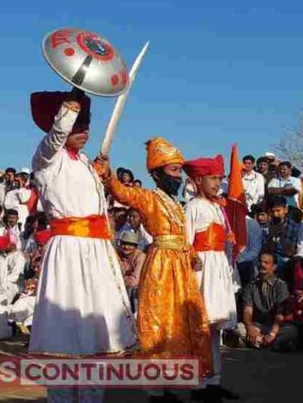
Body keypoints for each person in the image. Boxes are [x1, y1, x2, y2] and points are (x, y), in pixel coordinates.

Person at [29, 90, 136, 403]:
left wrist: (105, 176)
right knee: (66, 336)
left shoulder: (88, 163)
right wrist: (70, 108)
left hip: (97, 252)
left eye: (87, 122)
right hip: (69, 251)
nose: (84, 129)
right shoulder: (46, 158)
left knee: (96, 335)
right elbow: (56, 135)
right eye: (78, 122)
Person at [99, 138, 215, 401]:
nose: (178, 176)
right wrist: (107, 173)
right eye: (173, 171)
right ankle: (155, 389)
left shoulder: (177, 204)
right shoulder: (149, 197)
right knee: (158, 324)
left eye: (179, 170)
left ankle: (178, 383)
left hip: (181, 269)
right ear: (156, 174)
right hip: (161, 266)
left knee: (185, 322)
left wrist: (192, 254)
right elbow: (122, 192)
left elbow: (183, 238)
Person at [183, 154, 239, 400]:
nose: (217, 183)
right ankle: (199, 384)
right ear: (198, 180)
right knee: (201, 329)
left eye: (219, 178)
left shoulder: (218, 206)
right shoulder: (193, 207)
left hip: (218, 269)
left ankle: (214, 380)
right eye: (212, 178)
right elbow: (185, 243)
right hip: (202, 271)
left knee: (215, 330)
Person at [236, 253, 296, 351]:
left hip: (275, 327)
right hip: (257, 326)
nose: (262, 265)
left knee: (291, 331)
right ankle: (268, 344)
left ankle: (259, 343)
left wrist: (272, 333)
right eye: (260, 262)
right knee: (239, 328)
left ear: (274, 267)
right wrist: (250, 327)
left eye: (266, 263)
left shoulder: (281, 286)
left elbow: (280, 314)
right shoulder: (250, 286)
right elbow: (247, 311)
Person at [116, 231, 145, 312]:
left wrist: (121, 280)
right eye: (124, 243)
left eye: (130, 244)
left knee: (130, 288)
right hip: (120, 287)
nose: (126, 247)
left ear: (135, 246)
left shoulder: (140, 257)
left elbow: (134, 280)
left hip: (136, 291)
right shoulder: (116, 254)